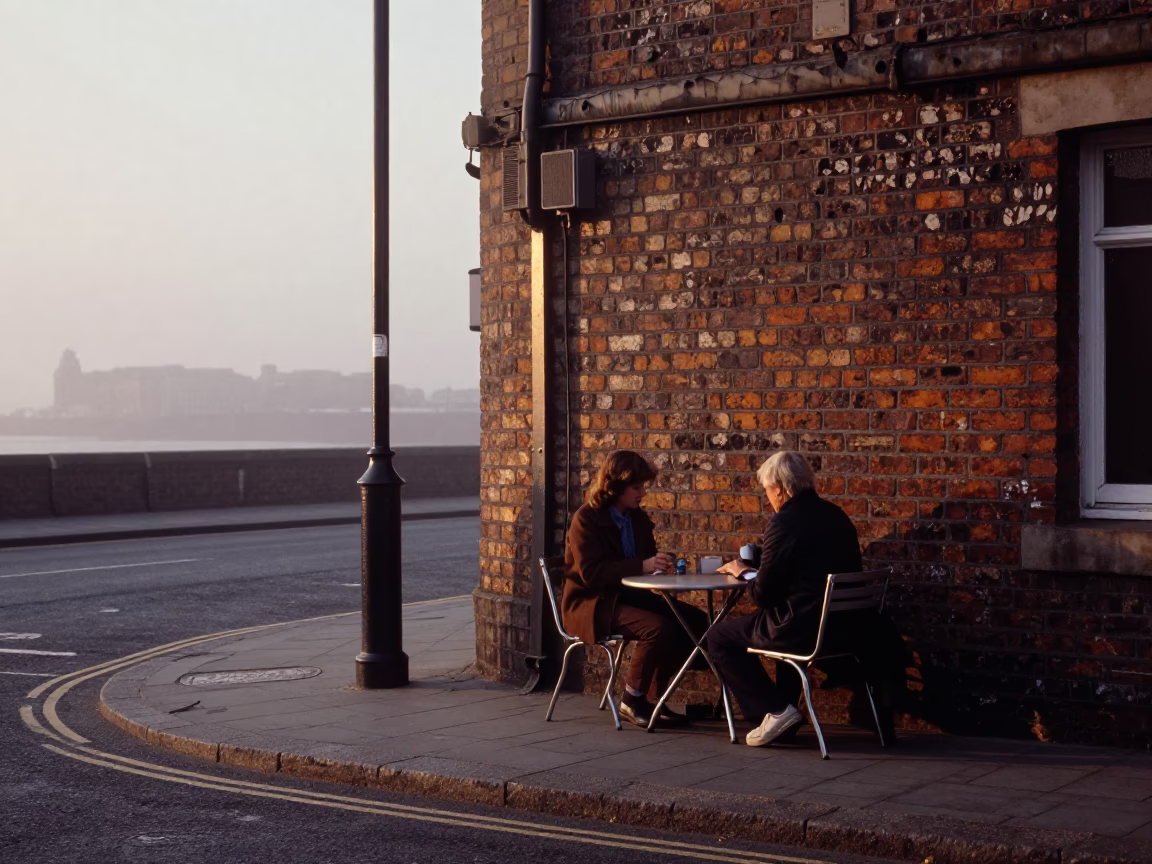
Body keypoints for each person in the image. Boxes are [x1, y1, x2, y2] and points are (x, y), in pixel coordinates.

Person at [708, 450, 870, 747]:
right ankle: (784, 719)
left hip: (800, 630)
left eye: (767, 490)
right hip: (844, 630)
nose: (767, 496)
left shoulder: (784, 522)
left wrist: (743, 571)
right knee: (784, 621)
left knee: (718, 636)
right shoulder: (837, 516)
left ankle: (775, 710)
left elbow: (762, 595)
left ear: (780, 488)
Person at [563, 450, 709, 728]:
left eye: (643, 486)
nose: (642, 493)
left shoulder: (636, 518)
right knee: (658, 628)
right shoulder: (586, 519)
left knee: (692, 620)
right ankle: (632, 699)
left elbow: (646, 559)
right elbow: (591, 574)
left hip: (630, 596)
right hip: (593, 603)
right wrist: (641, 566)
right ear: (615, 486)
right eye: (636, 487)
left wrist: (658, 565)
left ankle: (655, 697)